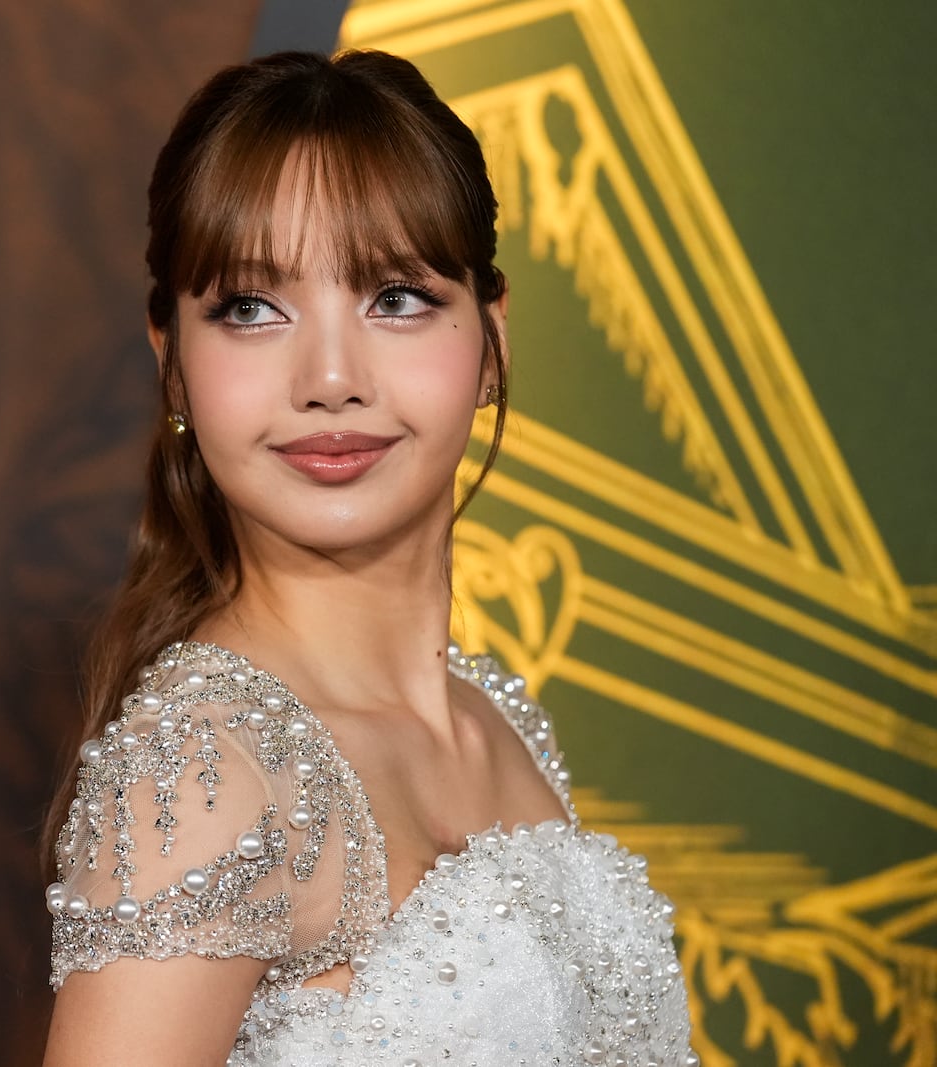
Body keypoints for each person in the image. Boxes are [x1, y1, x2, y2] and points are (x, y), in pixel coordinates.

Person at [40, 50, 695, 1066]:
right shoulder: (211, 768)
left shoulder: (493, 720)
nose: (331, 377)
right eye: (251, 309)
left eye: (395, 296)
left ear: (491, 341)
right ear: (171, 360)